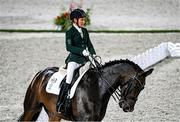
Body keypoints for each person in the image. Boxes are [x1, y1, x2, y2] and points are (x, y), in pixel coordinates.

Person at [56, 8, 96, 113]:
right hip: (74, 59)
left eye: (84, 20)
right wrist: (82, 51)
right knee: (69, 78)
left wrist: (93, 55)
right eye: (81, 20)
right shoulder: (70, 32)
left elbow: (90, 45)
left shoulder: (85, 31)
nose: (83, 21)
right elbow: (69, 47)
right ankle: (61, 103)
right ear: (75, 20)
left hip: (85, 59)